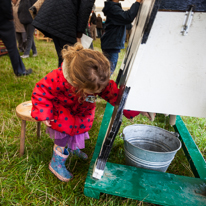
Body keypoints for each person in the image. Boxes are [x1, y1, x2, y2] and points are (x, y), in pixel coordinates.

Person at [31, 43, 120, 182]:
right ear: (75, 82)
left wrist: (132, 107)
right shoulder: (58, 78)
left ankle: (72, 148)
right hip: (62, 115)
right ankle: (56, 162)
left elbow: (112, 92)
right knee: (62, 138)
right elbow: (42, 91)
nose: (98, 93)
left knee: (77, 132)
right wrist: (44, 113)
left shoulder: (96, 78)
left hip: (82, 114)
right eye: (93, 92)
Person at [32, 0, 95, 67]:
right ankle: (64, 76)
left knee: (63, 57)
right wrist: (79, 33)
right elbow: (85, 8)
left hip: (53, 15)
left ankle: (61, 75)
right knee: (71, 60)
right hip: (65, 19)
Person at [101, 0, 142, 75]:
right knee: (107, 73)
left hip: (111, 44)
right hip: (111, 45)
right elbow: (128, 17)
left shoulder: (113, 7)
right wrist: (137, 3)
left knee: (107, 71)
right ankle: (101, 86)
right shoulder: (113, 8)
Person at [0, 0, 32, 76]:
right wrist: (10, 17)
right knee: (12, 48)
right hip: (4, 22)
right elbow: (5, 4)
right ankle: (20, 71)